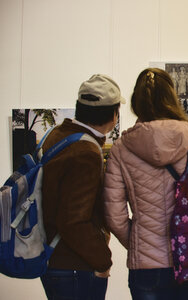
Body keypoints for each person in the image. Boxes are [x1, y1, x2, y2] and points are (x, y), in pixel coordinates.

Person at [103, 68, 188, 300]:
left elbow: (115, 216)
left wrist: (139, 243)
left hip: (146, 266)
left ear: (136, 102)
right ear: (172, 99)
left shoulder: (122, 149)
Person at [40, 74, 124, 299]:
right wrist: (103, 260)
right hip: (75, 265)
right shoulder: (86, 152)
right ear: (114, 114)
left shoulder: (58, 134)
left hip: (54, 259)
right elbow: (74, 220)